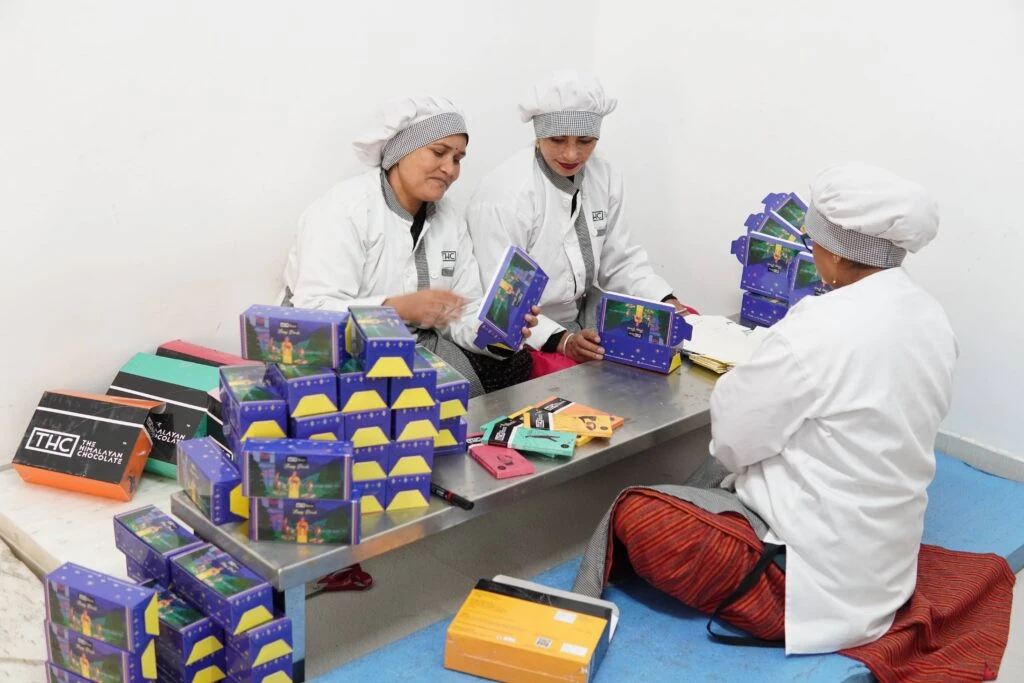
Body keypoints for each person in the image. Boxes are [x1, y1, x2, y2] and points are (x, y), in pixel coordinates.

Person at [573, 162, 960, 658]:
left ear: (836, 254)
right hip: (887, 573)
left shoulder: (819, 326)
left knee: (635, 513)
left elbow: (732, 438)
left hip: (800, 580)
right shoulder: (930, 316)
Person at [280, 96, 537, 397]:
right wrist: (395, 308)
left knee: (517, 362)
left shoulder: (449, 216)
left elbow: (462, 308)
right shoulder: (343, 211)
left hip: (417, 346)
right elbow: (312, 314)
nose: (450, 170)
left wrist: (496, 331)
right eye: (439, 153)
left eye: (457, 159)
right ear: (400, 152)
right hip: (344, 355)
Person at [465, 70, 697, 372]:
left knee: (680, 336)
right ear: (538, 134)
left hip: (580, 317)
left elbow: (621, 262)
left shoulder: (605, 176)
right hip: (526, 335)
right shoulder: (506, 194)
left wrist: (667, 301)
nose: (572, 153)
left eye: (585, 141)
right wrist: (562, 341)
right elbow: (500, 305)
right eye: (558, 140)